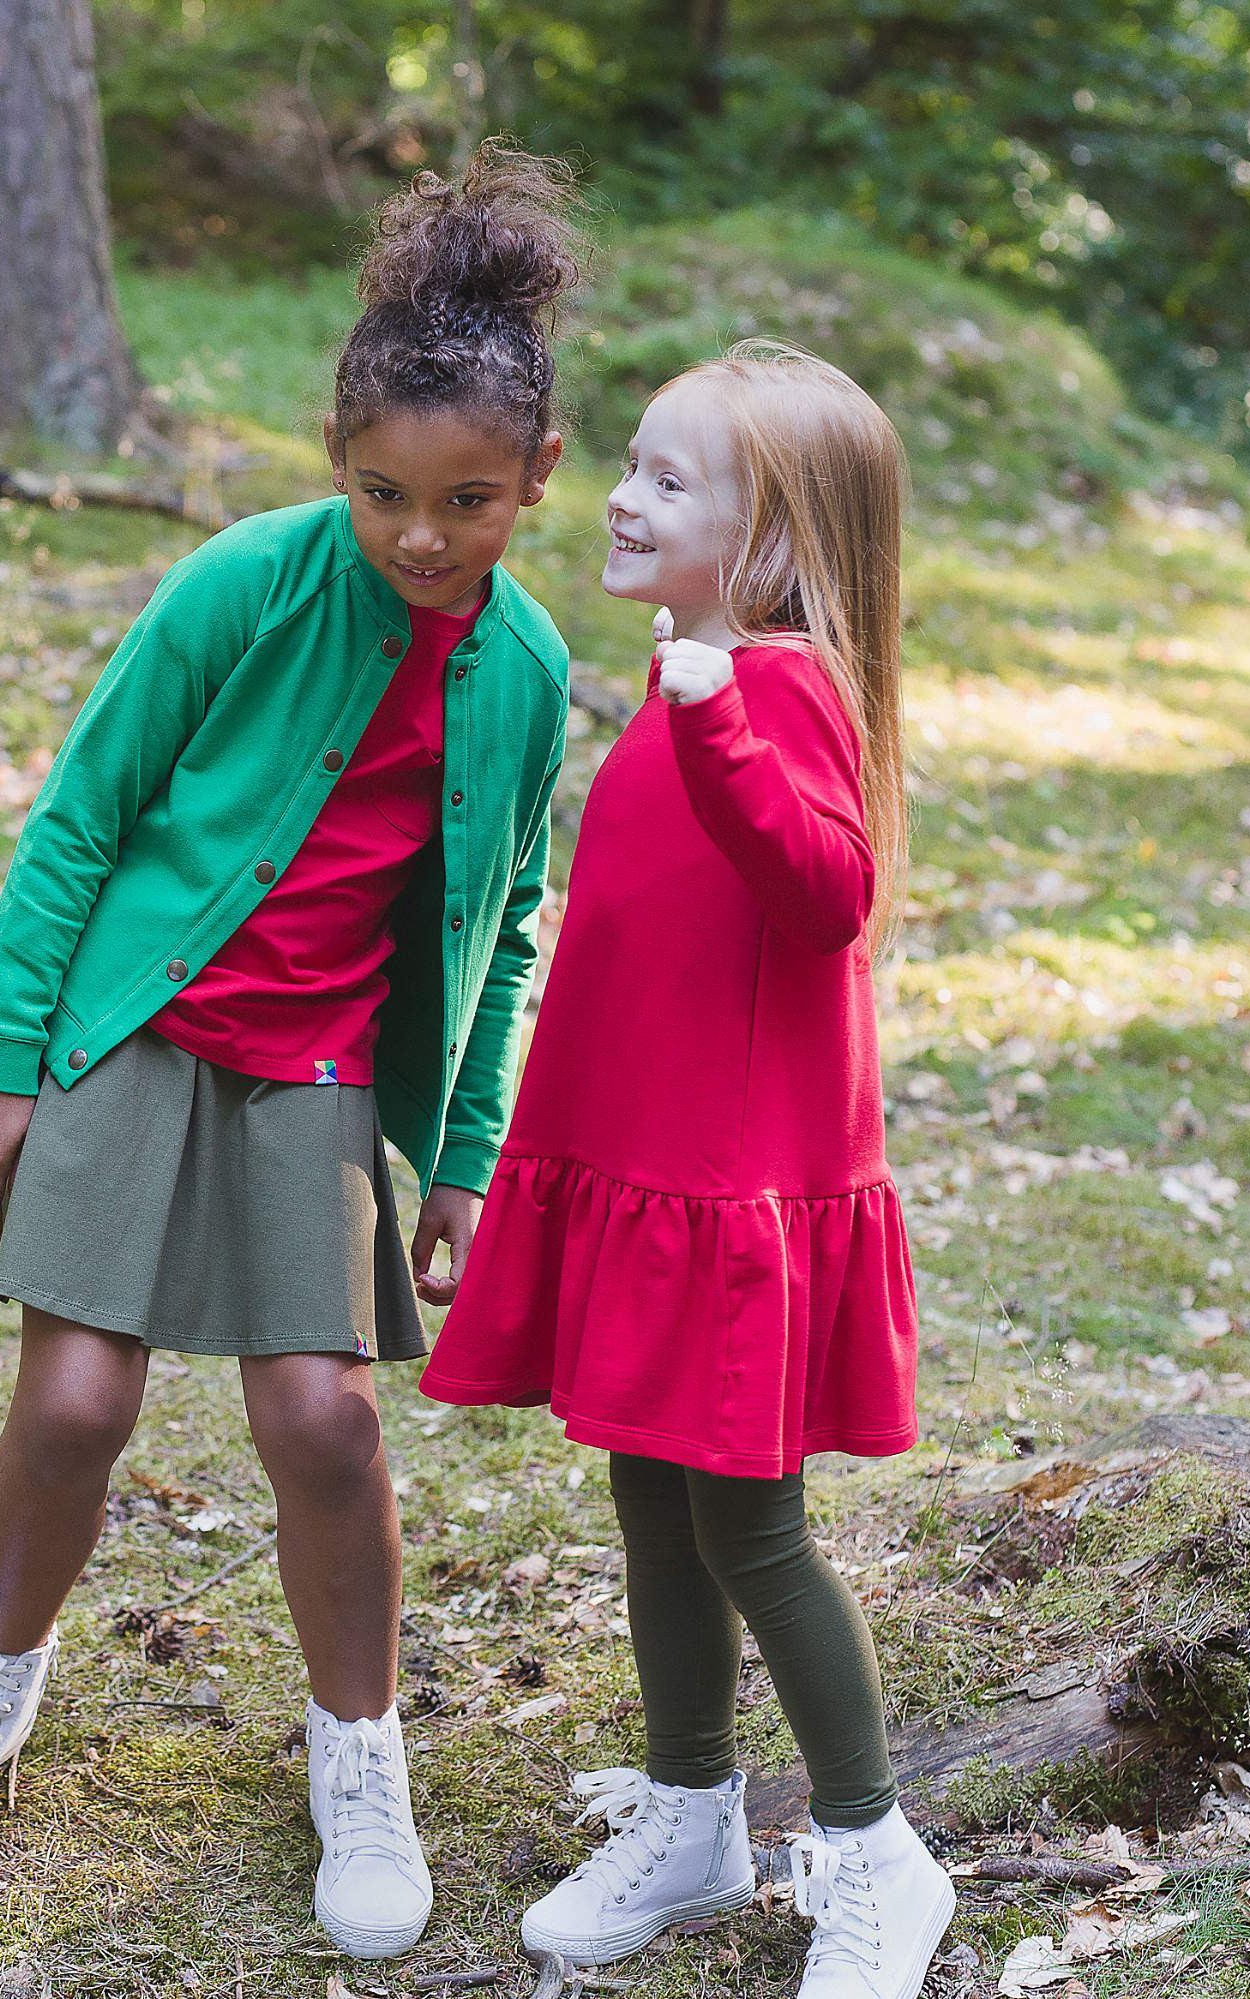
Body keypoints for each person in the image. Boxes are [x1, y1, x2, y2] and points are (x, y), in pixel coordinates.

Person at [0, 143, 581, 1963]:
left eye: (470, 501)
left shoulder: (531, 670)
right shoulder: (242, 587)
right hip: (135, 1029)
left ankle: (361, 1757)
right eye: (385, 494)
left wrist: (470, 1158)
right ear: (336, 466)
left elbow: (505, 933)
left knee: (322, 1421)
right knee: (80, 1396)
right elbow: (79, 824)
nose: (423, 537)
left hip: (325, 1073)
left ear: (537, 481)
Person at [420, 341, 954, 1995]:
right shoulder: (692, 663)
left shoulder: (776, 686)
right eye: (631, 464)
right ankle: (692, 1811)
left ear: (778, 537)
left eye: (667, 477)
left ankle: (874, 1847)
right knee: (650, 1496)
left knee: (753, 1526)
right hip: (642, 1164)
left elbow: (828, 892)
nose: (623, 496)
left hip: (730, 1192)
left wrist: (717, 723)